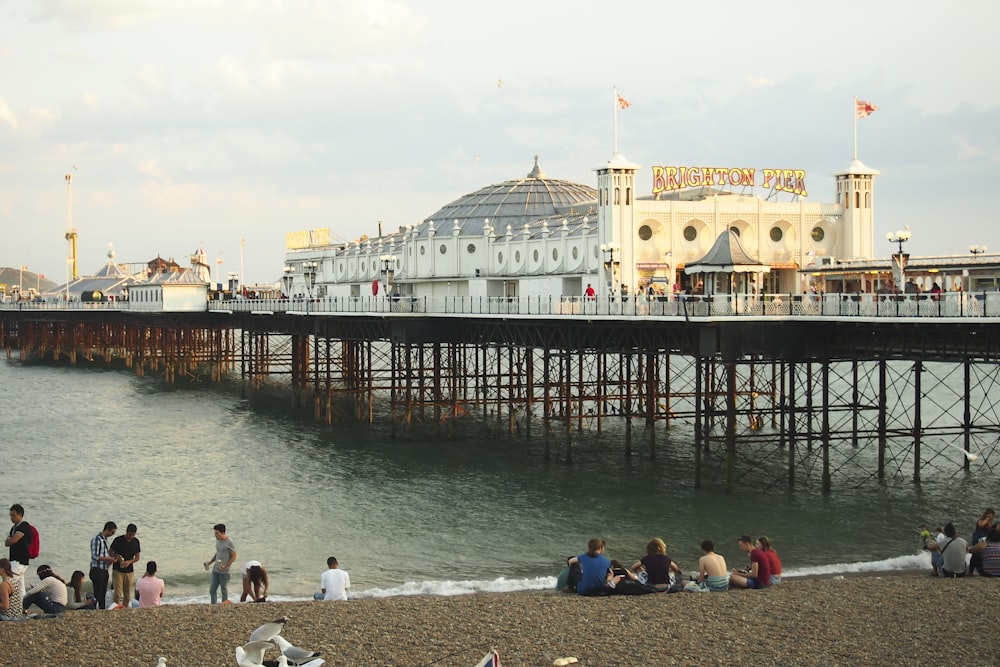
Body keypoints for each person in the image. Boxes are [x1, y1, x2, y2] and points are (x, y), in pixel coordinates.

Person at [110, 523, 141, 608]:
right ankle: (116, 608)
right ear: (127, 532)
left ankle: (125, 608)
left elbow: (137, 557)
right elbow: (110, 551)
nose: (131, 536)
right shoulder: (118, 540)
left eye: (133, 535)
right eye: (130, 534)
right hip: (118, 570)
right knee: (118, 593)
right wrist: (117, 556)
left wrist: (130, 561)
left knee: (127, 594)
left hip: (129, 571)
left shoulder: (136, 542)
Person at [204, 523, 237, 604]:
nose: (215, 535)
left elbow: (234, 556)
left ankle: (224, 605)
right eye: (215, 533)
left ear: (222, 533)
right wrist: (210, 562)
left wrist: (225, 566)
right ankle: (213, 605)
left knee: (223, 589)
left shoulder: (229, 542)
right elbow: (218, 553)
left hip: (225, 571)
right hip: (216, 569)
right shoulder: (218, 541)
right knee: (212, 589)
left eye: (217, 533)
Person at [89, 521, 118, 609]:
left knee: (103, 593)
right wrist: (109, 559)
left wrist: (112, 559)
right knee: (98, 592)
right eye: (112, 532)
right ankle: (93, 608)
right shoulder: (97, 540)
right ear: (107, 530)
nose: (112, 534)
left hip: (104, 569)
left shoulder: (105, 541)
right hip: (97, 569)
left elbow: (105, 555)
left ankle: (101, 609)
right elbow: (94, 556)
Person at [969, 509, 995, 575]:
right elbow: (981, 525)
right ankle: (971, 570)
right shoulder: (981, 521)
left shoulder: (989, 524)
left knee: (980, 554)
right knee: (975, 552)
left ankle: (979, 568)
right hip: (978, 538)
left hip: (984, 539)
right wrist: (987, 518)